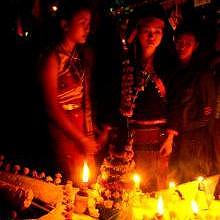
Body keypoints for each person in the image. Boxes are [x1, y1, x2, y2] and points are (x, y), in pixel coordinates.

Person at [39, 0, 101, 185]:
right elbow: (52, 108)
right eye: (82, 22)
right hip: (64, 133)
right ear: (65, 25)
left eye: (89, 23)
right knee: (67, 185)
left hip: (81, 128)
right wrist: (81, 138)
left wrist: (90, 131)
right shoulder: (52, 59)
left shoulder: (80, 58)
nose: (87, 28)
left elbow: (84, 99)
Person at [120, 4, 178, 192]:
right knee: (129, 188)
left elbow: (176, 102)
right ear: (137, 32)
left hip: (158, 140)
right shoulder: (127, 61)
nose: (152, 37)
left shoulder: (168, 65)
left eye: (157, 32)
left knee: (155, 189)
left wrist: (169, 137)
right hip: (129, 140)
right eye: (147, 31)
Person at [169, 24, 216, 183]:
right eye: (179, 42)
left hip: (195, 143)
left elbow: (208, 114)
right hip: (176, 138)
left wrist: (182, 129)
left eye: (188, 43)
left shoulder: (202, 74)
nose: (182, 47)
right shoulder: (172, 70)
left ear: (195, 46)